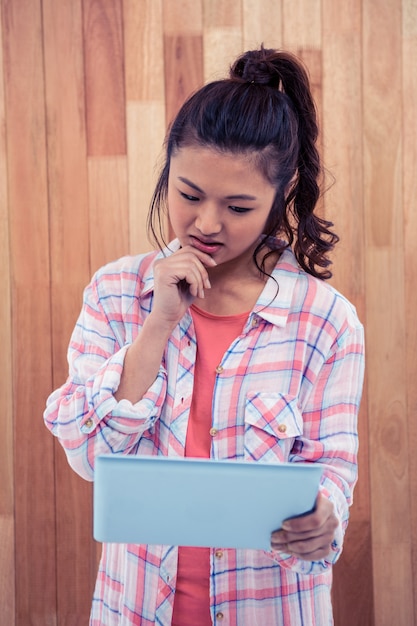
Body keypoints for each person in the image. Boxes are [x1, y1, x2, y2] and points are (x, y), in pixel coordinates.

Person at [44, 46, 365, 626]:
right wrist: (158, 323)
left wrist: (325, 517)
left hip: (270, 610)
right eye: (189, 195)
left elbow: (332, 470)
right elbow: (91, 456)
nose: (206, 224)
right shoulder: (117, 292)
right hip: (135, 608)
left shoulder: (326, 323)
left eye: (238, 206)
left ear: (279, 196)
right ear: (168, 171)